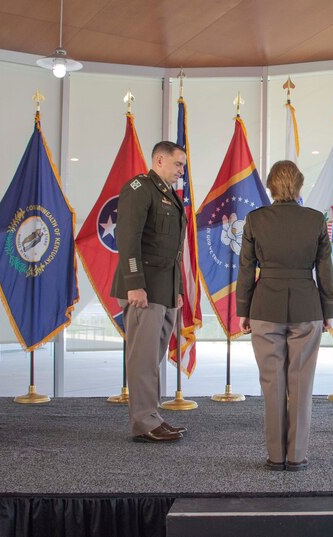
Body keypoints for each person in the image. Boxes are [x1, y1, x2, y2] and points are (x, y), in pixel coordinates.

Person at [237, 160, 333, 471]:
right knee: (301, 384)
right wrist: (328, 309)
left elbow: (245, 270)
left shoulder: (255, 220)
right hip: (308, 307)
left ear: (270, 186)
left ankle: (275, 455)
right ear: (300, 185)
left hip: (265, 306)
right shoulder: (315, 220)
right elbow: (325, 271)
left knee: (272, 384)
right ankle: (296, 457)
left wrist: (243, 310)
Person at [111, 141, 188, 443]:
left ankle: (151, 415)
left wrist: (177, 289)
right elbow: (128, 238)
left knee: (151, 357)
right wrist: (134, 284)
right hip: (144, 288)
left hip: (163, 289)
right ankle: (144, 423)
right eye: (178, 164)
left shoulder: (167, 194)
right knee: (142, 359)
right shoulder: (139, 188)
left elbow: (173, 250)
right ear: (159, 160)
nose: (182, 171)